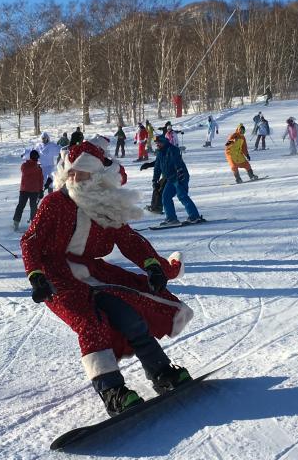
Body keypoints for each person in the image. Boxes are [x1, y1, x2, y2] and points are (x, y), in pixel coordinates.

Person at [21, 140, 192, 415]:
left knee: (131, 317)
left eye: (83, 172)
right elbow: (31, 240)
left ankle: (162, 373)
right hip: (56, 277)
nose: (75, 178)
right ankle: (112, 391)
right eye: (72, 172)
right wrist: (36, 275)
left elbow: (129, 240)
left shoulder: (105, 205)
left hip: (93, 274)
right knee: (90, 322)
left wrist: (153, 265)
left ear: (99, 176)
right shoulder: (54, 203)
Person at [153, 133, 203, 226]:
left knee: (182, 196)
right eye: (156, 143)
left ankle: (194, 216)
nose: (157, 144)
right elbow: (157, 167)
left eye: (158, 142)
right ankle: (171, 219)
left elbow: (177, 161)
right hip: (170, 178)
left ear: (164, 141)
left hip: (180, 176)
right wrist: (155, 180)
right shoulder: (160, 153)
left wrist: (179, 172)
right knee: (166, 197)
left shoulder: (172, 149)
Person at [13, 149, 44, 231]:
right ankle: (16, 222)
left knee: (34, 207)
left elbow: (41, 180)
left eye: (38, 158)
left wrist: (41, 190)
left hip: (35, 191)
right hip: (24, 190)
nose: (37, 159)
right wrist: (35, 167)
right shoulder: (25, 165)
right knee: (21, 206)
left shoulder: (38, 168)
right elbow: (25, 172)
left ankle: (33, 224)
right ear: (32, 157)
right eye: (36, 157)